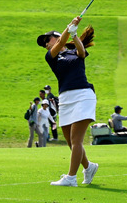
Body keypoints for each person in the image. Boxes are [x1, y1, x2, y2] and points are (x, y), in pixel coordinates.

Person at [39, 15, 98, 187]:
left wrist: (73, 34)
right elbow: (59, 44)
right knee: (69, 139)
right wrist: (70, 27)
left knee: (76, 139)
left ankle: (71, 178)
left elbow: (81, 53)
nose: (45, 44)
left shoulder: (74, 52)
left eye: (47, 40)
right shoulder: (51, 56)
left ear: (57, 38)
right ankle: (89, 166)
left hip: (83, 95)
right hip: (65, 99)